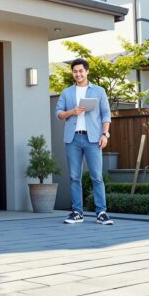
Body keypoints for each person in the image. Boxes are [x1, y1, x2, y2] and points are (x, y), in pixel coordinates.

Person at [54, 58, 113, 225]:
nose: (78, 74)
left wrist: (105, 134)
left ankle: (101, 212)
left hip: (93, 139)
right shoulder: (67, 92)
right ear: (72, 73)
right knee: (74, 177)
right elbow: (58, 114)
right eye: (75, 71)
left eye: (81, 71)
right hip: (73, 139)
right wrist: (73, 111)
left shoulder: (99, 91)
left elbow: (106, 115)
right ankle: (77, 212)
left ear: (87, 72)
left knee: (97, 177)